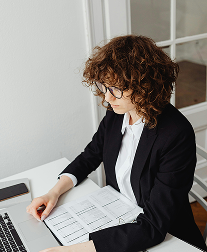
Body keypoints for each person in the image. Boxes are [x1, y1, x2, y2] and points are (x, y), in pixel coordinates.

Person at [26, 35, 207, 252]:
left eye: (116, 89)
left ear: (144, 86)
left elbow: (154, 226)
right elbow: (90, 155)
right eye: (105, 87)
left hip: (168, 237)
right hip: (120, 216)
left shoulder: (176, 134)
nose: (108, 98)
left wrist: (69, 250)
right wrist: (53, 193)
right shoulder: (117, 113)